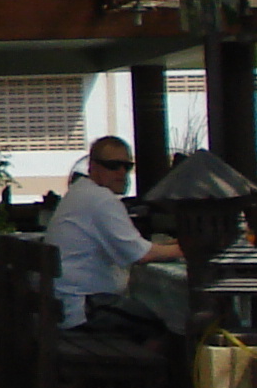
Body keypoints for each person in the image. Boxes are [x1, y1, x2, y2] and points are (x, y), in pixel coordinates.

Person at [46, 136, 178, 325]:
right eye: (113, 165)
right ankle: (138, 355)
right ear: (93, 167)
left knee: (151, 317)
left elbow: (137, 248)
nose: (121, 172)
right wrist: (188, 247)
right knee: (165, 324)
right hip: (85, 308)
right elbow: (140, 254)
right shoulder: (101, 199)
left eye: (127, 166)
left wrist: (171, 245)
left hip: (67, 304)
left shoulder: (80, 192)